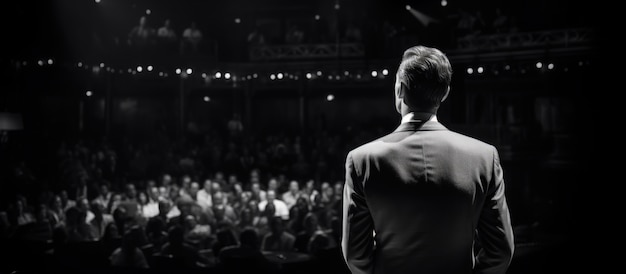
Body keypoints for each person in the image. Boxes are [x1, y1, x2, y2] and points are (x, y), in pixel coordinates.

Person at [341, 45, 514, 274]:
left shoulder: (362, 160)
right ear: (445, 93)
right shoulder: (484, 156)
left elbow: (356, 256)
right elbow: (500, 252)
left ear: (400, 89)